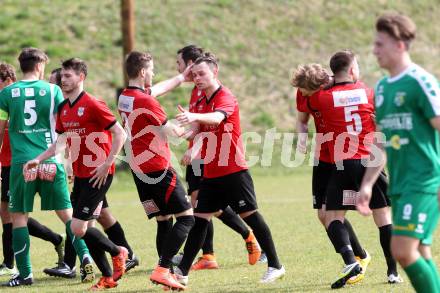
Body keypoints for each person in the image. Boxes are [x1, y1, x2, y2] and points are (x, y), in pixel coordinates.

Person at [292, 52, 401, 288]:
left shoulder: (321, 96)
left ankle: (358, 262)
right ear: (352, 70)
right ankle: (377, 265)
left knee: (333, 216)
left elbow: (311, 98)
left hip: (342, 161)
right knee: (374, 216)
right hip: (354, 159)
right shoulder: (368, 93)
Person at [174, 53, 285, 286]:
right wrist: (187, 133)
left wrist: (194, 117)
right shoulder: (202, 100)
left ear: (215, 72)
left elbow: (216, 118)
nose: (197, 78)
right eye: (194, 74)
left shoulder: (225, 96)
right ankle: (181, 273)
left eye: (201, 73)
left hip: (233, 169)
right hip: (212, 172)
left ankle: (276, 265)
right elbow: (202, 128)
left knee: (251, 217)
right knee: (200, 220)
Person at [24, 57, 128, 290]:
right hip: (82, 175)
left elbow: (121, 134)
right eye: (62, 75)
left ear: (81, 77)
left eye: (68, 75)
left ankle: (117, 251)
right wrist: (37, 159)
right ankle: (109, 277)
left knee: (77, 228)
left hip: (98, 174)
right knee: (83, 229)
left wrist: (107, 164)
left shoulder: (93, 104)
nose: (63, 79)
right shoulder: (63, 108)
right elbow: (61, 141)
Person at [357, 13, 440, 293]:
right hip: (400, 183)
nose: (374, 50)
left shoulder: (421, 82)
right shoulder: (381, 89)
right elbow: (380, 139)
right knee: (422, 250)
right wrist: (368, 184)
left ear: (400, 45)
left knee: (402, 249)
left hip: (425, 181)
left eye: (380, 44)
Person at [0, 48, 92, 287]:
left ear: (22, 66)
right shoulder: (54, 91)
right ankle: (85, 259)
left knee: (18, 217)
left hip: (22, 164)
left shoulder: (7, 93)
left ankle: (25, 274)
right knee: (69, 216)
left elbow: (0, 131)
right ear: (40, 66)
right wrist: (70, 161)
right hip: (51, 160)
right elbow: (67, 127)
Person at [118, 51, 194, 291]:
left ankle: (167, 273)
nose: (153, 73)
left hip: (139, 170)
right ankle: (162, 269)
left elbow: (157, 88)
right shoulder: (147, 102)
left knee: (163, 220)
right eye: (151, 70)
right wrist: (194, 123)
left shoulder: (125, 97)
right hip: (157, 168)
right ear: (142, 72)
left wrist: (181, 77)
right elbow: (171, 132)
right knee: (187, 217)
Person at [0, 62, 68, 277]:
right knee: (8, 213)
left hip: (18, 163)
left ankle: (18, 266)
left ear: (7, 79)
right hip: (24, 162)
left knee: (15, 214)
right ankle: (10, 262)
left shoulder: (10, 97)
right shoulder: (13, 98)